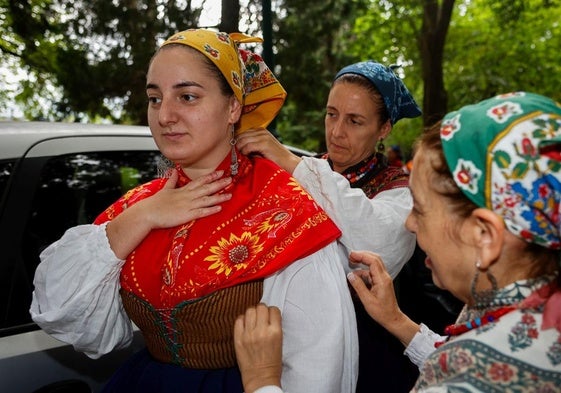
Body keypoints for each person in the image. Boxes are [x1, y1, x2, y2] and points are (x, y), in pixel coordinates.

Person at [29, 28, 358, 393]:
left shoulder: (285, 208)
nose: (165, 115)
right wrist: (144, 216)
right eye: (155, 98)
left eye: (187, 96)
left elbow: (318, 367)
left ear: (233, 107)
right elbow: (59, 309)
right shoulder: (141, 202)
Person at [234, 91, 561, 392]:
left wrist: (262, 379)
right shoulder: (523, 309)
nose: (409, 223)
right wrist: (395, 319)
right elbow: (450, 355)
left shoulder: (477, 379)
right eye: (331, 114)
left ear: (485, 236)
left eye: (419, 208)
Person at [237, 60, 459, 392]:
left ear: (384, 129)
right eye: (331, 114)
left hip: (368, 356)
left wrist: (291, 163)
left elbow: (372, 244)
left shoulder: (399, 193)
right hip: (280, 346)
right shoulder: (302, 171)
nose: (337, 132)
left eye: (355, 121)